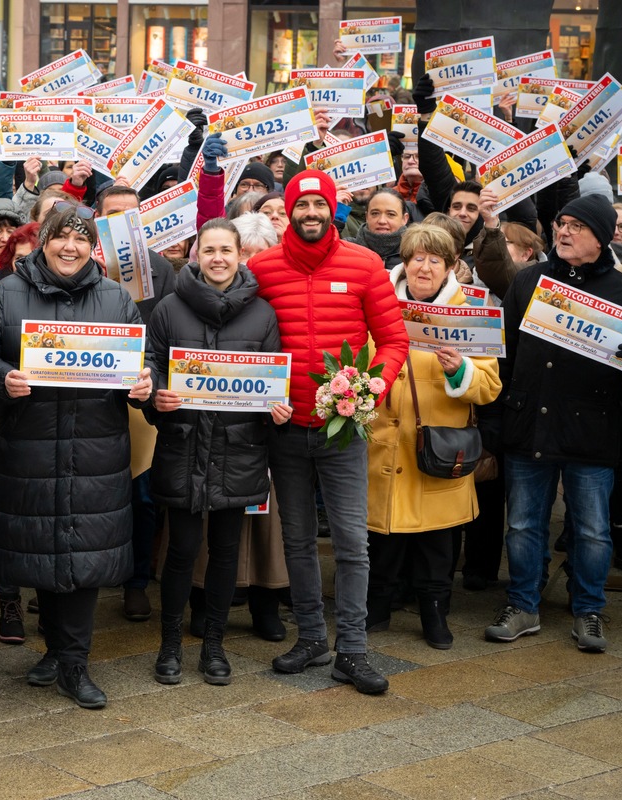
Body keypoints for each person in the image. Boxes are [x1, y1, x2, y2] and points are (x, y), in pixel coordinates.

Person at [0, 203, 154, 709]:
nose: (71, 247)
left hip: (94, 449)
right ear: (44, 240)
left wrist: (145, 384)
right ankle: (55, 651)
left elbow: (139, 367)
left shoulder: (116, 299)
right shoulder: (6, 293)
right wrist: (0, 377)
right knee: (44, 550)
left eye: (81, 239)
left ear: (93, 246)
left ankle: (75, 662)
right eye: (61, 237)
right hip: (28, 446)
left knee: (80, 553)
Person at [249, 170, 409, 694]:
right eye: (302, 205)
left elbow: (393, 342)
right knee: (296, 538)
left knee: (350, 540)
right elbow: (244, 339)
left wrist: (370, 389)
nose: (311, 213)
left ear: (333, 210)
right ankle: (313, 638)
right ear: (289, 211)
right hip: (285, 426)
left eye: (320, 204)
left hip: (345, 427)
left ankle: (354, 650)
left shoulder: (365, 265)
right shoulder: (263, 268)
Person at [489, 195, 622, 653]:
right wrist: (497, 416)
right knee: (521, 524)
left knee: (593, 529)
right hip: (529, 423)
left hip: (592, 429)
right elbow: (506, 355)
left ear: (600, 238)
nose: (565, 231)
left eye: (578, 226)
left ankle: (589, 609)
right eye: (562, 222)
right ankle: (522, 604)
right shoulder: (529, 281)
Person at [147, 219, 286, 686]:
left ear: (240, 254)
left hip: (238, 451)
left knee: (226, 553)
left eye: (226, 249)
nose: (218, 258)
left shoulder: (263, 314)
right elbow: (151, 364)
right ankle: (169, 647)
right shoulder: (168, 308)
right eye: (209, 250)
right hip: (183, 446)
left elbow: (271, 381)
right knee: (182, 551)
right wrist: (157, 395)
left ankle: (213, 646)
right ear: (196, 255)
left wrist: (275, 409)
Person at [365, 225, 501, 649]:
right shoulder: (377, 301)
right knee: (381, 539)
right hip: (382, 443)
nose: (424, 267)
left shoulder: (470, 311)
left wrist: (460, 370)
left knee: (437, 544)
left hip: (437, 448)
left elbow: (490, 386)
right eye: (417, 258)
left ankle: (434, 616)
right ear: (404, 261)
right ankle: (376, 610)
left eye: (435, 260)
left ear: (450, 267)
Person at [95, 185, 177, 622]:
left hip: (139, 396)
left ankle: (136, 582)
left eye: (131, 214)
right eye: (112, 214)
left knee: (141, 496)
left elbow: (174, 335)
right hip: (87, 393)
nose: (122, 222)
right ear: (97, 218)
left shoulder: (164, 270)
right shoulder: (78, 262)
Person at [348, 189, 410, 270]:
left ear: (404, 219)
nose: (382, 221)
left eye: (391, 214)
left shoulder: (415, 253)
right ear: (366, 217)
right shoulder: (347, 249)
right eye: (375, 213)